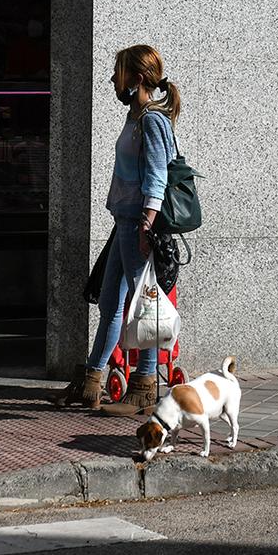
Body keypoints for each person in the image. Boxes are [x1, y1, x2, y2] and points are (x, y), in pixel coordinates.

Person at [57, 44, 182, 413]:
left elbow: (158, 177)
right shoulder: (136, 117)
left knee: (143, 304)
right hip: (124, 222)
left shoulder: (153, 121)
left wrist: (146, 224)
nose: (113, 78)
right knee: (111, 301)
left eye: (119, 72)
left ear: (138, 79)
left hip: (138, 225)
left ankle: (144, 384)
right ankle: (92, 378)